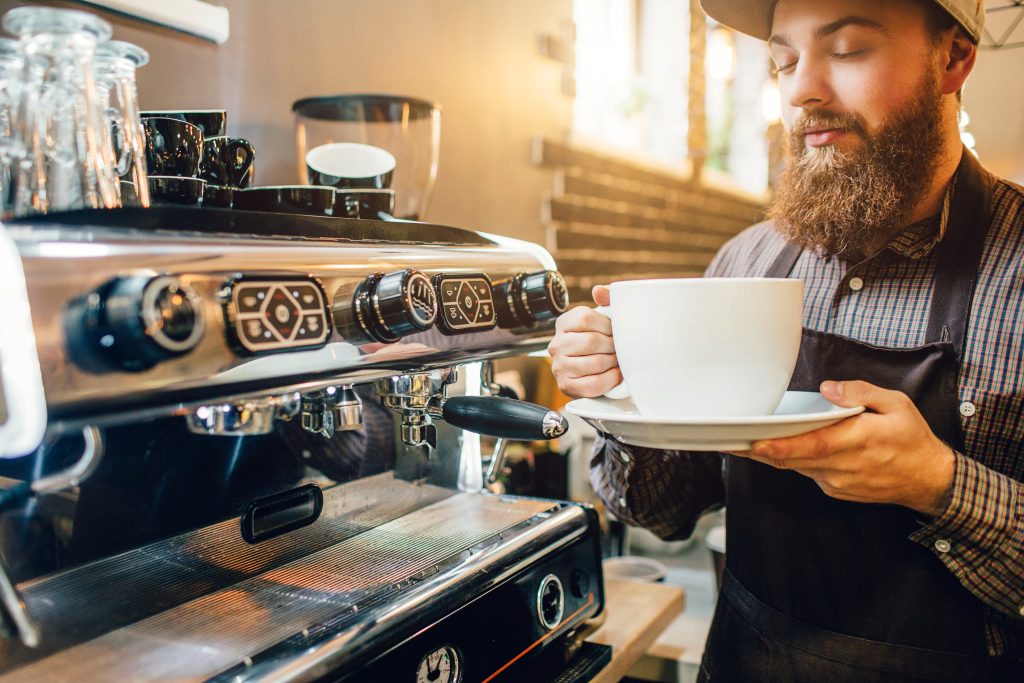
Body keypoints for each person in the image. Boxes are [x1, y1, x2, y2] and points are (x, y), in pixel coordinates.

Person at [547, 0, 1024, 679]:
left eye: (851, 48)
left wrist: (940, 485)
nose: (802, 89)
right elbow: (660, 509)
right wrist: (627, 394)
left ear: (953, 59)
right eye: (783, 60)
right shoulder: (746, 262)